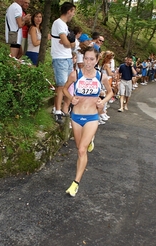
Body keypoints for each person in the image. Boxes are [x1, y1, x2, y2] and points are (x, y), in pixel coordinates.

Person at [63, 46, 113, 197]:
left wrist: (102, 101)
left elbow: (110, 92)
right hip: (76, 117)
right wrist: (72, 98)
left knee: (81, 150)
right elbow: (64, 89)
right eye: (86, 58)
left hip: (92, 117)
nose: (88, 62)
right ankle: (89, 140)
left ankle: (75, 183)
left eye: (92, 59)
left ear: (97, 60)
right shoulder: (75, 74)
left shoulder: (100, 76)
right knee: (79, 147)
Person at [50, 2, 76, 123]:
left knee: (67, 84)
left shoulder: (65, 25)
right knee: (60, 85)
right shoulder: (58, 23)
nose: (73, 14)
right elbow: (66, 43)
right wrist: (68, 42)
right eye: (73, 11)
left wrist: (69, 43)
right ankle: (57, 110)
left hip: (68, 57)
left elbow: (72, 44)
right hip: (60, 57)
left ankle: (64, 109)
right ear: (69, 11)